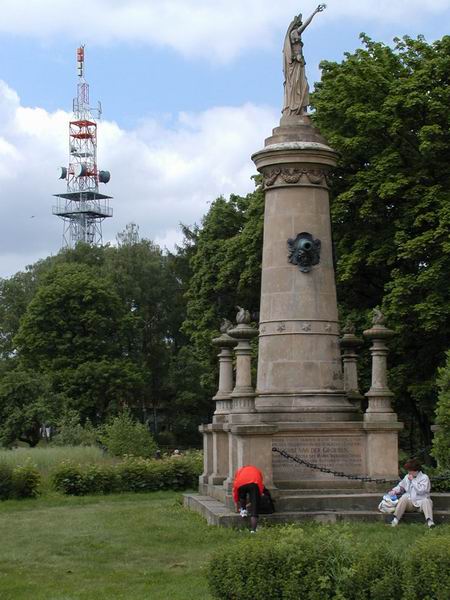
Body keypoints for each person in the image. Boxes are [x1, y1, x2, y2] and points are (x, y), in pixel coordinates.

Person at [282, 4, 326, 115]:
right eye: (299, 25)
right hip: (295, 64)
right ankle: (296, 110)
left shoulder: (294, 33)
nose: (300, 27)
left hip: (300, 64)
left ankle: (301, 109)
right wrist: (314, 12)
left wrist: (314, 12)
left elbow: (305, 25)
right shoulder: (294, 33)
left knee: (303, 86)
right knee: (297, 86)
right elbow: (305, 25)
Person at [389, 458, 435, 528]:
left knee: (426, 501)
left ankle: (430, 521)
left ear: (416, 470)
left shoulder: (424, 478)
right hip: (410, 503)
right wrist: (394, 491)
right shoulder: (407, 477)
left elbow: (421, 491)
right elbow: (401, 486)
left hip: (421, 503)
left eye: (410, 470)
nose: (408, 472)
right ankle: (395, 519)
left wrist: (413, 480)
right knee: (404, 497)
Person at [232, 465, 264, 533]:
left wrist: (236, 501)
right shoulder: (256, 470)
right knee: (254, 508)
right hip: (254, 483)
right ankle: (253, 530)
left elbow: (235, 489)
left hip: (241, 483)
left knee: (242, 497)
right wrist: (258, 495)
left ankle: (243, 511)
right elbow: (260, 485)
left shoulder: (240, 471)